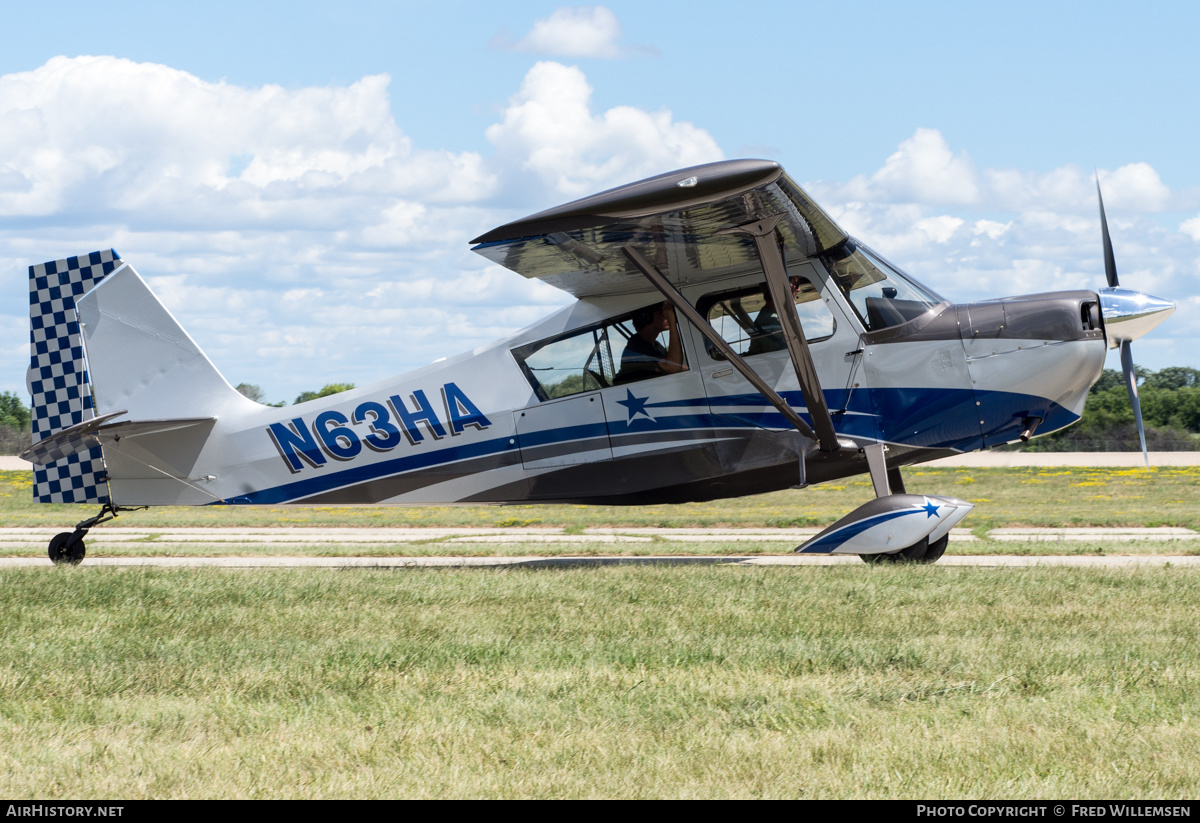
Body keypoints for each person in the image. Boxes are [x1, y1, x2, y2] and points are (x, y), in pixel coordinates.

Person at [615, 302, 688, 384]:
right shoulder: (637, 348)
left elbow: (674, 364)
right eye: (662, 313)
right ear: (646, 317)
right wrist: (672, 322)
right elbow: (674, 368)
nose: (666, 315)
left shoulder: (655, 345)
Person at [747, 276, 802, 356]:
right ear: (787, 287)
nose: (798, 289)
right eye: (797, 285)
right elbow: (786, 355)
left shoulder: (771, 316)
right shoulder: (771, 321)